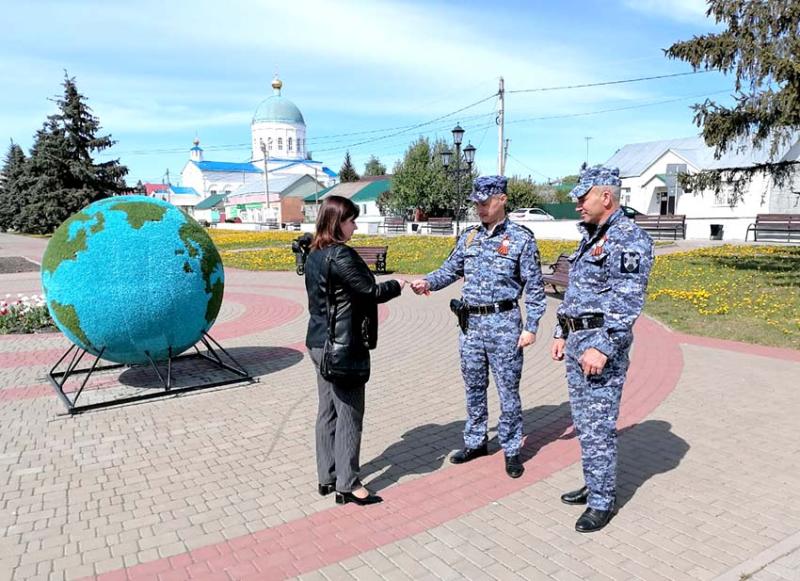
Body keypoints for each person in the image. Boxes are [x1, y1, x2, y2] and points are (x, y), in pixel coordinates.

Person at [411, 176, 546, 478]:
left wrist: (532, 327)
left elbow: (535, 289)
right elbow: (450, 269)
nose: (480, 209)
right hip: (470, 325)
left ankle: (511, 449)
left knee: (507, 390)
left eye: (485, 203)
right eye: (476, 204)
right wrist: (428, 282)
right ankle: (475, 441)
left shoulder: (522, 239)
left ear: (502, 199)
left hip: (504, 325)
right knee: (473, 386)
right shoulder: (470, 237)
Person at [550, 165, 654, 532]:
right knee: (584, 423)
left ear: (605, 197)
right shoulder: (593, 236)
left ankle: (602, 501)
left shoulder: (628, 238)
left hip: (599, 349)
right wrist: (561, 331)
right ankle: (596, 482)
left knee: (597, 426)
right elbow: (578, 294)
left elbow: (627, 303)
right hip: (579, 342)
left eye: (583, 197)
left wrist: (605, 348)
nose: (577, 204)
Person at [304, 195, 406, 506]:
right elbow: (371, 291)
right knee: (349, 414)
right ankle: (348, 484)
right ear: (338, 222)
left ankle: (327, 477)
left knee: (328, 411)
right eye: (352, 220)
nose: (356, 226)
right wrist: (398, 284)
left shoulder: (313, 253)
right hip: (342, 348)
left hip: (318, 343)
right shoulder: (340, 255)